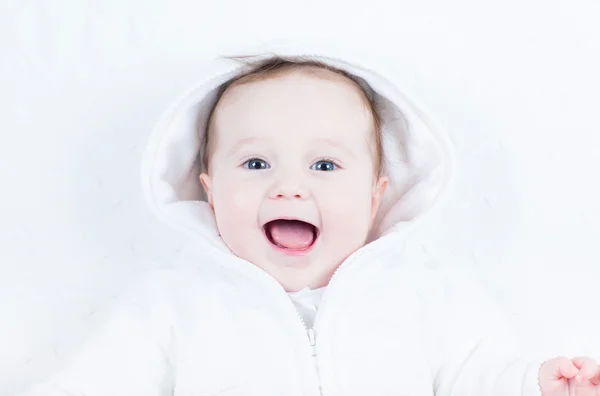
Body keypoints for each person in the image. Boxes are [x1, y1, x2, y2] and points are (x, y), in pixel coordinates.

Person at [17, 44, 600, 396]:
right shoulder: (176, 298)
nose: (289, 186)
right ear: (210, 191)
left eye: (324, 164)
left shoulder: (425, 289)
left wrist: (534, 381)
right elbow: (100, 381)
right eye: (255, 162)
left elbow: (477, 374)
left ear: (376, 196)